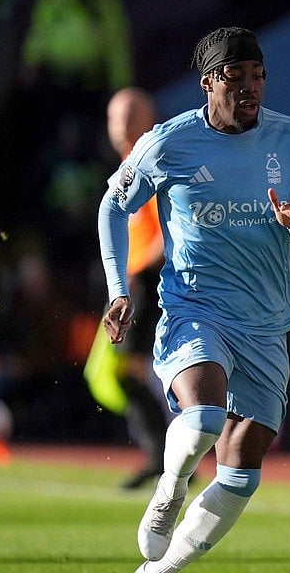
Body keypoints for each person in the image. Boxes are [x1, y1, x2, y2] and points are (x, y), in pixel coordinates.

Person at [97, 27, 290, 573]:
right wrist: (117, 290)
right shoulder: (168, 142)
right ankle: (172, 483)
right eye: (235, 77)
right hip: (195, 308)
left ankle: (163, 570)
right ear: (208, 82)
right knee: (204, 416)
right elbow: (113, 207)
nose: (250, 87)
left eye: (258, 75)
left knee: (242, 469)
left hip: (267, 322)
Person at [90, 86, 169, 490]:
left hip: (147, 281)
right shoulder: (127, 164)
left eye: (128, 116)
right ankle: (163, 456)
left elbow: (170, 229)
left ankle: (163, 457)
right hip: (131, 282)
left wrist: (141, 270)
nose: (119, 127)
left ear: (147, 117)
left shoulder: (152, 163)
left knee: (129, 371)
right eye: (113, 118)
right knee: (122, 372)